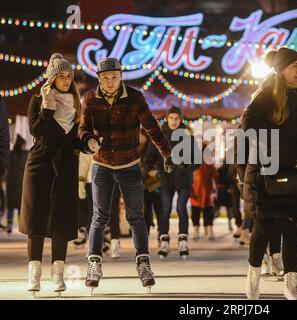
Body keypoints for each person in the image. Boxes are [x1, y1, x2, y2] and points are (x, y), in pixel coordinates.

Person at [240, 47, 297, 300]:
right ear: (281, 70)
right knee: (263, 228)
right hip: (265, 172)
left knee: (291, 229)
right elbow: (246, 125)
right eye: (294, 66)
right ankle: (253, 275)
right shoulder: (266, 95)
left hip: (295, 173)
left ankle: (291, 283)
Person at [79, 57, 173, 293]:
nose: (110, 82)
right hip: (102, 165)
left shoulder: (134, 98)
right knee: (99, 216)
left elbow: (151, 126)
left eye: (114, 77)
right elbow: (82, 128)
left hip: (130, 165)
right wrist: (88, 139)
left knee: (135, 216)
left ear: (121, 76)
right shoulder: (89, 99)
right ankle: (94, 264)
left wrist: (167, 154)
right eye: (105, 78)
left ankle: (143, 263)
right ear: (99, 79)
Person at [19, 53, 87, 297]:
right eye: (62, 76)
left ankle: (58, 274)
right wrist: (48, 108)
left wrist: (87, 144)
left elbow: (72, 140)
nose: (67, 80)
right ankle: (34, 274)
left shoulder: (76, 102)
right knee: (36, 218)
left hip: (66, 164)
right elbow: (35, 130)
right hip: (40, 162)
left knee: (62, 219)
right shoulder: (38, 99)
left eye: (69, 76)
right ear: (52, 78)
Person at [144, 106, 200, 259]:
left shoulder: (188, 136)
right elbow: (150, 155)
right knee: (165, 209)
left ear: (180, 119)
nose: (174, 121)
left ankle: (183, 240)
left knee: (181, 207)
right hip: (165, 179)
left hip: (183, 179)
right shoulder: (159, 135)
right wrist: (150, 166)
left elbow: (198, 160)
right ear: (167, 119)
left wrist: (187, 166)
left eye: (176, 118)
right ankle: (164, 241)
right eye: (171, 118)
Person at [190, 145, 219, 241]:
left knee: (199, 212)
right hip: (199, 190)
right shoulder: (206, 162)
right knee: (204, 212)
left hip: (201, 191)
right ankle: (205, 230)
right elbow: (215, 175)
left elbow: (215, 175)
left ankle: (200, 230)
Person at [6, 135, 28, 234]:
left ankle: (18, 225)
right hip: (17, 183)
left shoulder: (12, 154)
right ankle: (15, 225)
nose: (24, 146)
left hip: (15, 183)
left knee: (18, 205)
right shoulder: (24, 155)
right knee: (16, 204)